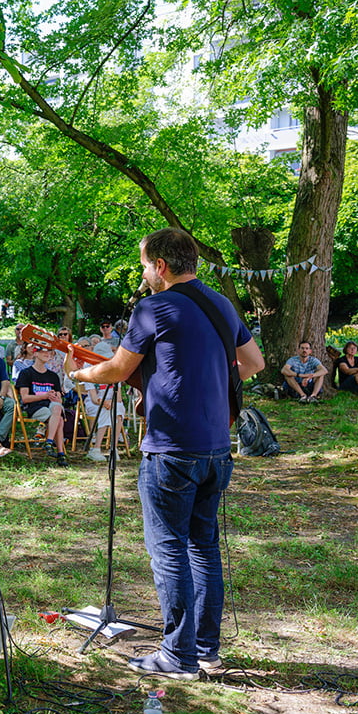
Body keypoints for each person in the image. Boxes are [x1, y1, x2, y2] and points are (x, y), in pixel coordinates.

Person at [69, 227, 264, 680]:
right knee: (204, 549)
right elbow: (253, 364)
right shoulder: (221, 304)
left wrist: (81, 374)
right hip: (217, 449)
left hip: (171, 449)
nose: (143, 274)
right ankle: (206, 652)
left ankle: (177, 657)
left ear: (160, 266)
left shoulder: (153, 307)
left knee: (170, 552)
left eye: (143, 265)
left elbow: (118, 369)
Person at [16, 344, 67, 464]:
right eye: (43, 351)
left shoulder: (53, 376)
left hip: (52, 406)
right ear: (35, 353)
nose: (47, 353)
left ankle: (49, 442)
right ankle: (60, 453)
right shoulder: (26, 373)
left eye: (49, 351)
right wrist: (45, 396)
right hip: (35, 407)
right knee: (58, 419)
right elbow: (25, 398)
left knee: (57, 407)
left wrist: (56, 397)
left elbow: (58, 398)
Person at [80, 380, 126, 462]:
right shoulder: (91, 374)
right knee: (107, 410)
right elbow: (94, 399)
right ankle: (96, 449)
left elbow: (118, 398)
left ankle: (113, 448)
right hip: (95, 404)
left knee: (118, 409)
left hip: (112, 402)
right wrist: (105, 403)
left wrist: (111, 403)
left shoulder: (115, 375)